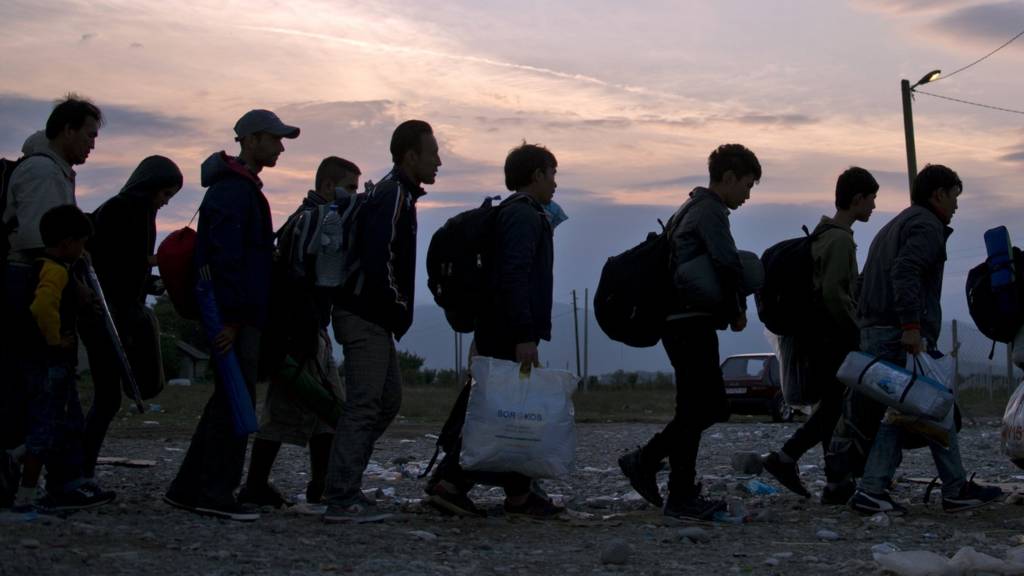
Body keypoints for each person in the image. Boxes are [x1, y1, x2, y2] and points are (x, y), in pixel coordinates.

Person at [164, 109, 299, 522]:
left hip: (236, 316)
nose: (280, 147)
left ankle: (189, 488)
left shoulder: (237, 189)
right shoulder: (233, 192)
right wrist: (232, 319)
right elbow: (225, 261)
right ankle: (215, 491)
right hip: (234, 319)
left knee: (227, 400)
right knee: (234, 405)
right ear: (252, 139)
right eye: (275, 139)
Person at [847, 164, 1002, 514]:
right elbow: (906, 271)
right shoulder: (926, 226)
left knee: (918, 409)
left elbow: (865, 279)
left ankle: (949, 487)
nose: (956, 207)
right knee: (922, 405)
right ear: (939, 194)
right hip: (898, 335)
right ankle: (884, 488)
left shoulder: (895, 225)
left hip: (878, 330)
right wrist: (911, 326)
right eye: (954, 197)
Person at [619, 143, 760, 521]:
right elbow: (727, 263)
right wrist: (737, 309)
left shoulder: (689, 207)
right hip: (689, 321)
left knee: (696, 406)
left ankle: (676, 487)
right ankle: (650, 465)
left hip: (679, 321)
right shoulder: (710, 210)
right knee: (709, 406)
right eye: (747, 185)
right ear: (728, 178)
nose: (747, 195)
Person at [424, 143, 564, 519]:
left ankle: (519, 494)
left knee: (511, 409)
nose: (555, 184)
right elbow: (514, 275)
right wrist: (524, 334)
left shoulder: (516, 214)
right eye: (552, 175)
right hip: (508, 330)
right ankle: (450, 483)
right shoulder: (522, 216)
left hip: (499, 326)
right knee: (500, 410)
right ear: (536, 175)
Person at [322, 120, 440, 523]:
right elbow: (379, 259)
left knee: (387, 401)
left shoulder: (399, 195)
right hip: (365, 314)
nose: (438, 161)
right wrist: (395, 305)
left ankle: (342, 481)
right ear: (411, 156)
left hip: (373, 317)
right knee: (365, 404)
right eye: (432, 153)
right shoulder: (392, 196)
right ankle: (340, 497)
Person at [238, 157, 359, 509]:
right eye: (349, 188)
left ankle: (317, 484)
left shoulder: (306, 219)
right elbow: (303, 281)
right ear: (327, 187)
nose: (353, 196)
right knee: (291, 411)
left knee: (324, 410)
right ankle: (257, 485)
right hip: (299, 333)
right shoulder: (314, 221)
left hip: (307, 330)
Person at [1, 95, 102, 507]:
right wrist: (73, 281)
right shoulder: (44, 173)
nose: (92, 145)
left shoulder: (51, 170)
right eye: (89, 135)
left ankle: (55, 479)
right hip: (36, 282)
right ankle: (62, 481)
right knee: (50, 388)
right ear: (67, 130)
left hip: (33, 280)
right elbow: (44, 239)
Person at [762, 167, 878, 498]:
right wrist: (856, 332)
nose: (873, 206)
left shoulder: (822, 234)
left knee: (832, 406)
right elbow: (834, 294)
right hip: (831, 337)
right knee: (835, 408)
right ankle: (787, 457)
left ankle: (835, 483)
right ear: (857, 199)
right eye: (871, 199)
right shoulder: (840, 240)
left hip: (816, 335)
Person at [81, 155, 182, 480]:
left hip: (114, 311)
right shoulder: (127, 211)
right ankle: (77, 471)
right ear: (150, 187)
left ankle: (78, 468)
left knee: (108, 398)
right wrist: (157, 261)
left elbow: (129, 270)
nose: (165, 202)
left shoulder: (130, 210)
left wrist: (152, 279)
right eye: (165, 194)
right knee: (107, 398)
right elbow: (118, 266)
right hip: (107, 315)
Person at [13, 204, 116, 512]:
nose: (83, 250)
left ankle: (60, 482)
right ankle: (26, 497)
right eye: (82, 243)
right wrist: (55, 339)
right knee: (44, 429)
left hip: (44, 362)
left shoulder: (43, 266)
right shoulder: (56, 271)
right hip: (50, 363)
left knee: (62, 422)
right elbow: (42, 307)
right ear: (68, 242)